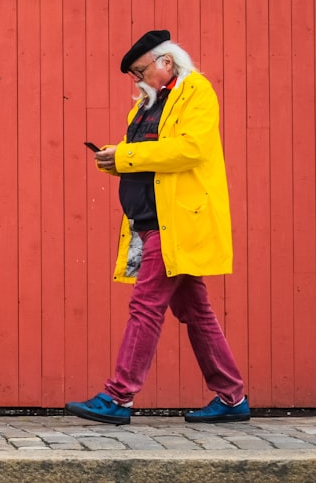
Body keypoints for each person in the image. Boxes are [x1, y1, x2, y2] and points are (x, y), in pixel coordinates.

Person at [65, 30, 248, 425]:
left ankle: (119, 396)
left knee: (145, 306)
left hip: (174, 222)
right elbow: (148, 158)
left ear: (165, 62)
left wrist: (127, 156)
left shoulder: (196, 91)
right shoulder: (147, 106)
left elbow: (189, 149)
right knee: (196, 312)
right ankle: (232, 397)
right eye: (135, 76)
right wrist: (114, 159)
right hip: (150, 222)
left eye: (140, 71)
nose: (138, 81)